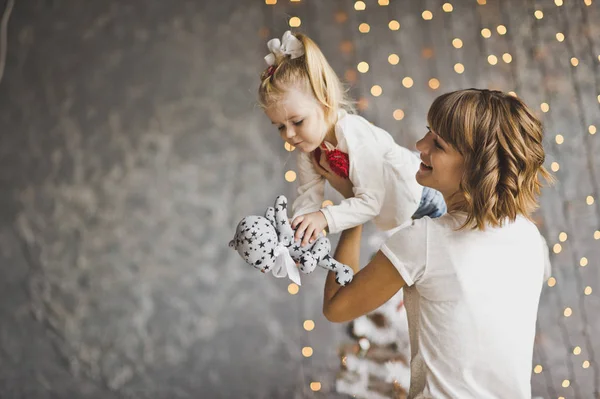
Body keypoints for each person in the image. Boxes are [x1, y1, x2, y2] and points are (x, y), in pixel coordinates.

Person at [318, 89, 552, 398]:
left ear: (476, 168)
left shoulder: (424, 240)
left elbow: (337, 308)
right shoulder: (528, 237)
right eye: (429, 132)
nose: (420, 146)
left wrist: (356, 206)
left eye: (437, 144)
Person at [257, 31, 446, 248]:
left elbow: (371, 202)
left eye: (297, 122)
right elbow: (308, 195)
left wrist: (323, 218)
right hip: (400, 209)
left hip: (424, 192)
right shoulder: (309, 152)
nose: (288, 134)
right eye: (280, 126)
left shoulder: (353, 133)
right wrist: (301, 235)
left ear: (325, 100)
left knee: (446, 254)